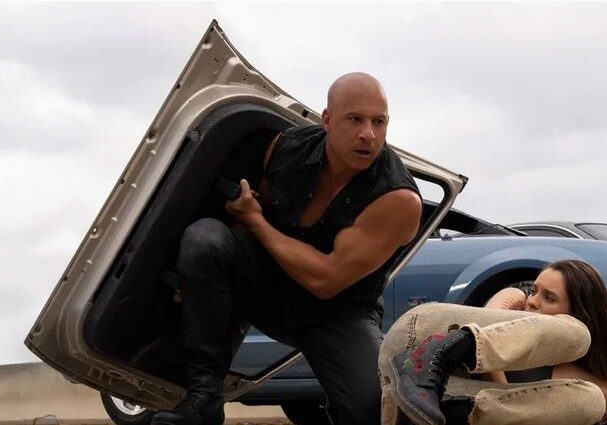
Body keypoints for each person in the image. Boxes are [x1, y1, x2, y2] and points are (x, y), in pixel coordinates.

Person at [151, 72, 422, 425]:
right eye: (355, 119)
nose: (368, 134)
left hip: (338, 312)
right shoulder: (286, 147)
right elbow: (247, 214)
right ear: (327, 120)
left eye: (379, 121)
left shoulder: (398, 199)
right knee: (205, 239)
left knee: (374, 409)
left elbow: (326, 280)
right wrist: (200, 279)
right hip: (267, 287)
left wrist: (256, 222)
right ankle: (203, 401)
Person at [379, 259, 607, 425]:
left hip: (412, 390)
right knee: (574, 335)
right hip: (417, 335)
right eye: (535, 290)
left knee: (588, 400)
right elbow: (494, 311)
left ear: (579, 309)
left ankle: (440, 412)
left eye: (549, 298)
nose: (534, 301)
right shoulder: (515, 302)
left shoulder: (564, 371)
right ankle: (435, 356)